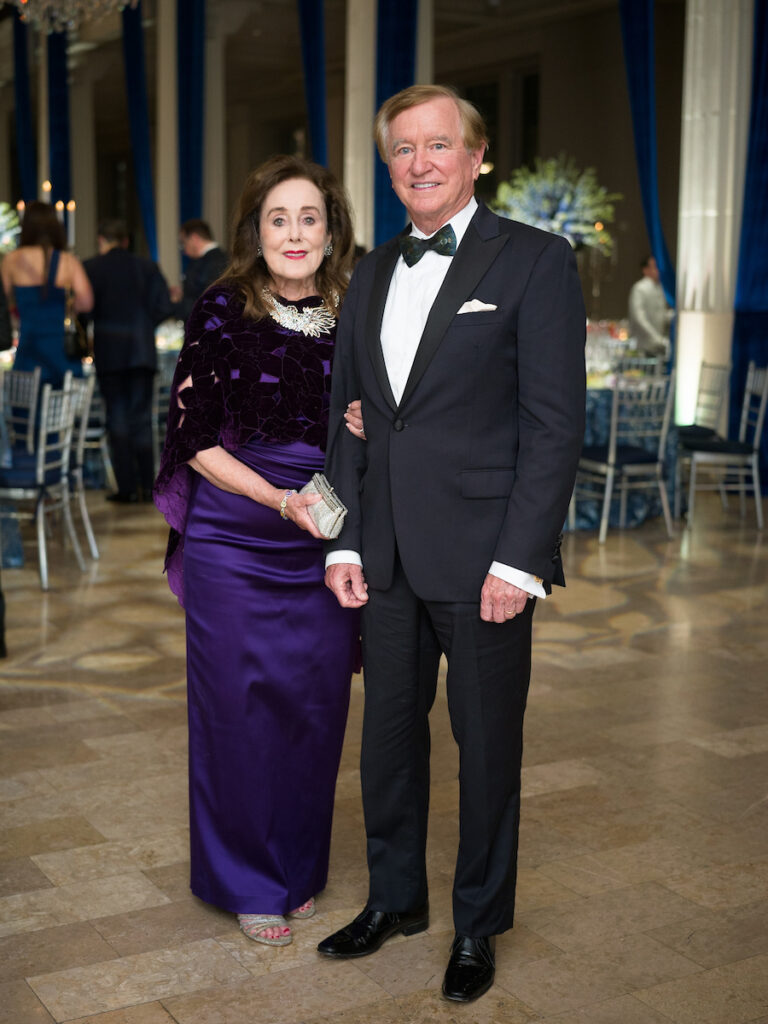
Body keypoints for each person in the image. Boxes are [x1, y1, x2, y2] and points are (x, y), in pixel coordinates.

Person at [317, 85, 586, 1003]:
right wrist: (343, 541)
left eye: (438, 146)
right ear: (388, 166)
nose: (420, 163)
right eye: (403, 150)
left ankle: (477, 923)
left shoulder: (536, 262)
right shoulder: (370, 271)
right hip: (384, 554)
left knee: (486, 750)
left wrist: (519, 560)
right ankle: (396, 899)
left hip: (484, 564)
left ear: (477, 159)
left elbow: (554, 427)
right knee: (388, 745)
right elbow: (345, 422)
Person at [154, 155, 360, 947]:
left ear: (331, 229)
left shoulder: (354, 311)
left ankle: (296, 866)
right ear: (256, 231)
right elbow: (195, 438)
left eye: (310, 217)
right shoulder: (221, 309)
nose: (295, 232)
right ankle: (245, 879)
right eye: (279, 218)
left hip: (326, 542)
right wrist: (279, 500)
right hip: (237, 538)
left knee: (314, 709)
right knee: (238, 714)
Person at [83, 219, 173, 503]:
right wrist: (144, 327)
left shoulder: (92, 268)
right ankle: (147, 487)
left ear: (102, 240)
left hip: (109, 352)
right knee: (142, 419)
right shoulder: (147, 267)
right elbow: (163, 307)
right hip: (141, 351)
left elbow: (84, 312)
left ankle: (125, 488)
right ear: (125, 241)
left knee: (117, 418)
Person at [1, 201, 93, 386]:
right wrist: (69, 309)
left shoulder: (12, 260)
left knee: (26, 407)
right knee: (61, 409)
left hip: (28, 346)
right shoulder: (68, 261)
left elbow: (1, 301)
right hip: (60, 348)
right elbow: (86, 301)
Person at [169, 219, 228, 323]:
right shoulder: (216, 259)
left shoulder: (215, 262)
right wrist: (183, 295)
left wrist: (176, 302)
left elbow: (209, 304)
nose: (184, 250)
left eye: (183, 243)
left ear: (194, 238)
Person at [628, 255, 671, 356]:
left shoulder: (660, 288)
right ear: (645, 270)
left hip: (659, 345)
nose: (658, 270)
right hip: (644, 345)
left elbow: (661, 314)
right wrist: (656, 338)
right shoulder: (640, 288)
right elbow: (639, 317)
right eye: (654, 266)